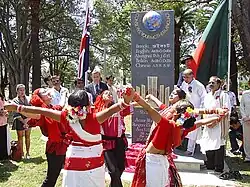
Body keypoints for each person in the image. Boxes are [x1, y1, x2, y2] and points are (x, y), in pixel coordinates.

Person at [4, 88, 134, 187]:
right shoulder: (95, 118)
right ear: (88, 106)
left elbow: (41, 111)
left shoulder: (66, 117)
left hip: (73, 164)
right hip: (93, 166)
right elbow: (117, 107)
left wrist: (17, 107)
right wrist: (127, 100)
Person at [131, 92, 224, 187]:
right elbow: (201, 122)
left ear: (176, 113)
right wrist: (217, 116)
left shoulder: (168, 124)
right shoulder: (180, 128)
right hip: (155, 161)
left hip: (158, 161)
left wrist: (136, 96)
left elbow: (148, 108)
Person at [25, 88, 69, 187]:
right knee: (51, 178)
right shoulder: (42, 113)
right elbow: (32, 114)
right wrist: (17, 108)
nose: (48, 92)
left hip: (65, 145)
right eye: (44, 92)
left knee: (63, 174)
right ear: (40, 99)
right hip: (54, 148)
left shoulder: (53, 108)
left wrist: (64, 93)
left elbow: (61, 104)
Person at [94, 90, 132, 187]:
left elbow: (127, 108)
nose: (109, 94)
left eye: (110, 93)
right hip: (107, 143)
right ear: (101, 96)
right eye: (106, 93)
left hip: (119, 141)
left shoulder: (118, 107)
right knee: (113, 170)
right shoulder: (98, 110)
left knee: (121, 168)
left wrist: (127, 97)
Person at [199, 76, 231, 172]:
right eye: (210, 83)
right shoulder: (208, 95)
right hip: (208, 123)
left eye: (213, 83)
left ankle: (218, 167)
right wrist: (206, 121)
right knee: (208, 142)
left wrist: (215, 121)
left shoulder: (223, 95)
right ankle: (210, 164)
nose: (211, 84)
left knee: (219, 143)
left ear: (219, 84)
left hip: (219, 124)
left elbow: (226, 110)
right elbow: (204, 110)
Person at [181, 69, 207, 155]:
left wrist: (200, 110)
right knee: (182, 127)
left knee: (193, 130)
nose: (185, 79)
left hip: (195, 110)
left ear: (192, 76)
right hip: (185, 109)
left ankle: (190, 149)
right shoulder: (184, 84)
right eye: (184, 77)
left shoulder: (199, 85)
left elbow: (204, 98)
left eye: (187, 77)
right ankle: (181, 145)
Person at [12, 84, 31, 159]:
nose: (22, 92)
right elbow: (15, 113)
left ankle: (28, 153)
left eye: (23, 90)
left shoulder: (29, 99)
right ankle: (21, 153)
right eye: (20, 90)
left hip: (29, 120)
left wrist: (27, 119)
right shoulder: (14, 100)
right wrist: (23, 122)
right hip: (19, 120)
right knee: (20, 137)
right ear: (17, 91)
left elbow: (32, 110)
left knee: (28, 136)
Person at [240, 79, 250, 162]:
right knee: (247, 139)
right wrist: (245, 117)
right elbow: (241, 106)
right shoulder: (245, 94)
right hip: (246, 120)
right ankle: (248, 156)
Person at [0, 93, 11, 160]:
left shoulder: (2, 98)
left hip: (4, 121)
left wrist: (6, 112)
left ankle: (3, 156)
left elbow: (5, 107)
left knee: (3, 140)